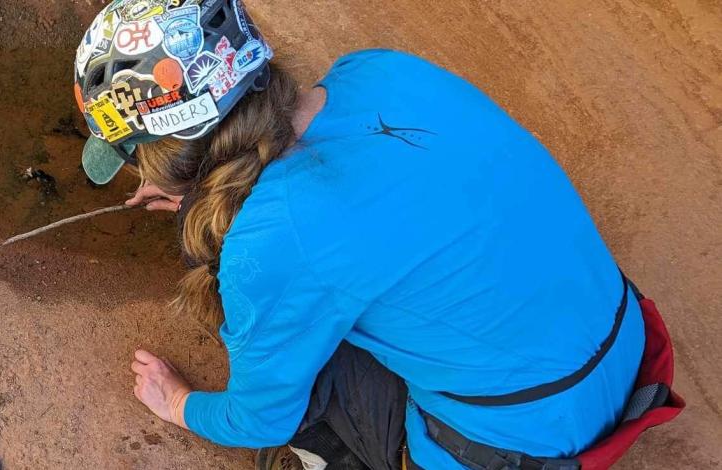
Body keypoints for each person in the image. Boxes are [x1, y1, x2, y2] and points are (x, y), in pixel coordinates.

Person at [73, 1, 682, 469]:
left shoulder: (272, 240)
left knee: (297, 366)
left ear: (169, 158)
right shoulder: (375, 69)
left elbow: (260, 418)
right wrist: (200, 184)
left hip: (525, 445)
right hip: (618, 349)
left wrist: (179, 404)